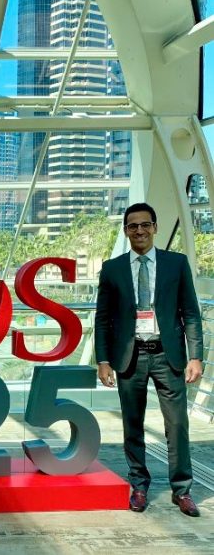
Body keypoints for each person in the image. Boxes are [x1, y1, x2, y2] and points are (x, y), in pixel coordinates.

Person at [95, 202, 204, 516]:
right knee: (133, 425)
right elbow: (103, 319)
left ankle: (182, 490)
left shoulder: (176, 263)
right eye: (133, 226)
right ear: (126, 231)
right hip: (131, 356)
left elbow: (191, 313)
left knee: (178, 424)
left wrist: (196, 356)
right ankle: (139, 487)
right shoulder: (112, 268)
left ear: (155, 228)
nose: (139, 230)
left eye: (145, 224)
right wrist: (103, 360)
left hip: (168, 356)